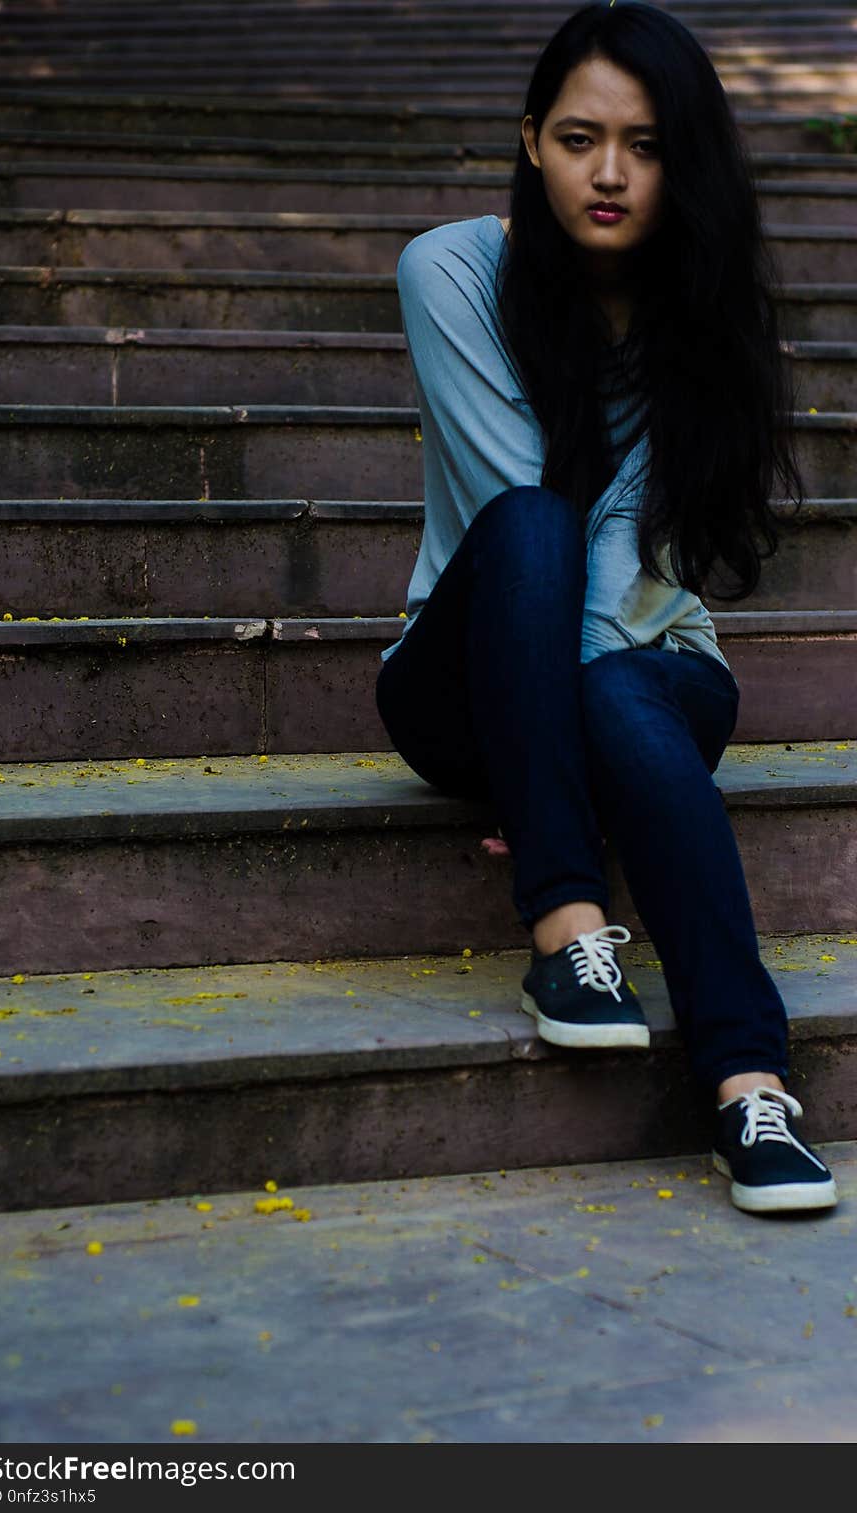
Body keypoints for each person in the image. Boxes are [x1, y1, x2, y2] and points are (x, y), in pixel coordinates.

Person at [374, 2, 836, 1215]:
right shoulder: (455, 271)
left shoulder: (709, 327)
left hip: (650, 668)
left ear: (685, 159)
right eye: (580, 137)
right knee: (531, 527)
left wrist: (557, 762)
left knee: (623, 680)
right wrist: (554, 792)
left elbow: (635, 576)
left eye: (645, 143)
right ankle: (563, 923)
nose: (612, 172)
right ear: (531, 141)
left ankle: (749, 1085)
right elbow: (521, 510)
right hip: (463, 676)